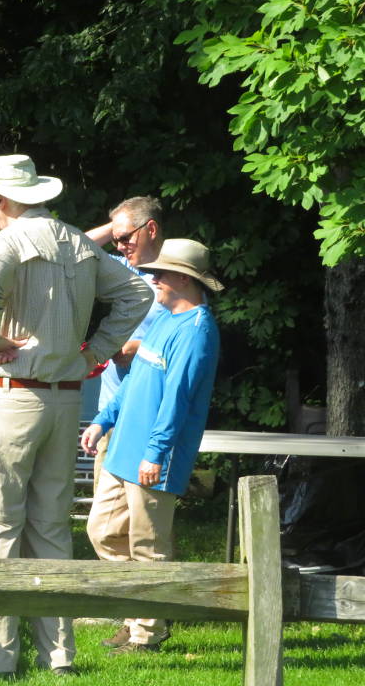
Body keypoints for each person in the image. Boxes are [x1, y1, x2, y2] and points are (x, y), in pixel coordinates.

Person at [0, 154, 153, 677]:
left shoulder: (8, 242)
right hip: (65, 396)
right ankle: (59, 657)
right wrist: (95, 352)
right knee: (50, 527)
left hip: (13, 394)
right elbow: (137, 291)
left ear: (3, 200)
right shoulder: (77, 241)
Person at [80, 238, 223, 656]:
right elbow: (137, 381)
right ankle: (137, 612)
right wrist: (103, 420)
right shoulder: (162, 319)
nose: (152, 278)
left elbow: (177, 398)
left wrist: (155, 453)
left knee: (148, 546)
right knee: (102, 532)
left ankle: (148, 632)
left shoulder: (198, 331)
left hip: (154, 457)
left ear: (183, 278)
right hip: (122, 446)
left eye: (160, 273)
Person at [84, 197, 167, 490]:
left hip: (152, 417)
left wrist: (139, 348)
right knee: (104, 524)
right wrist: (119, 225)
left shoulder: (179, 278)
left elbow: (189, 343)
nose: (118, 246)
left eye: (124, 238)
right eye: (115, 239)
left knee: (143, 519)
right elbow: (75, 250)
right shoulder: (121, 269)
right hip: (110, 414)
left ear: (151, 229)